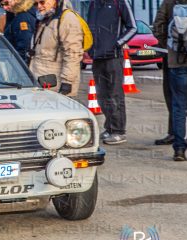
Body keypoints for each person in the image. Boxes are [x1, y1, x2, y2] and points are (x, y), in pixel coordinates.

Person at [152, 0, 187, 161]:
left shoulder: (169, 2)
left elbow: (158, 27)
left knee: (178, 107)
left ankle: (179, 150)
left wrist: (171, 47)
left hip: (176, 61)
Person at [87, 0, 137, 145]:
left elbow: (132, 27)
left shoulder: (120, 2)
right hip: (97, 57)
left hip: (113, 57)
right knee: (102, 94)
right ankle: (109, 128)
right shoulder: (93, 4)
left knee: (115, 94)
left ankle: (119, 131)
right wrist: (90, 48)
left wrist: (117, 44)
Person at [153, 3, 187, 146]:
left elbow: (158, 24)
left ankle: (175, 134)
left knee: (174, 97)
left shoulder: (169, 2)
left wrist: (168, 45)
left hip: (173, 57)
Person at [29, 0, 83, 97]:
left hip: (57, 86)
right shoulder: (45, 18)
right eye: (35, 4)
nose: (39, 6)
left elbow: (73, 53)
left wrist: (67, 81)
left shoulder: (67, 18)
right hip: (41, 82)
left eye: (42, 2)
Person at [4, 0, 37, 64]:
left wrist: (18, 64)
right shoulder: (18, 15)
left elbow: (24, 43)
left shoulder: (22, 17)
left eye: (7, 2)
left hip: (19, 61)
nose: (5, 7)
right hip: (15, 58)